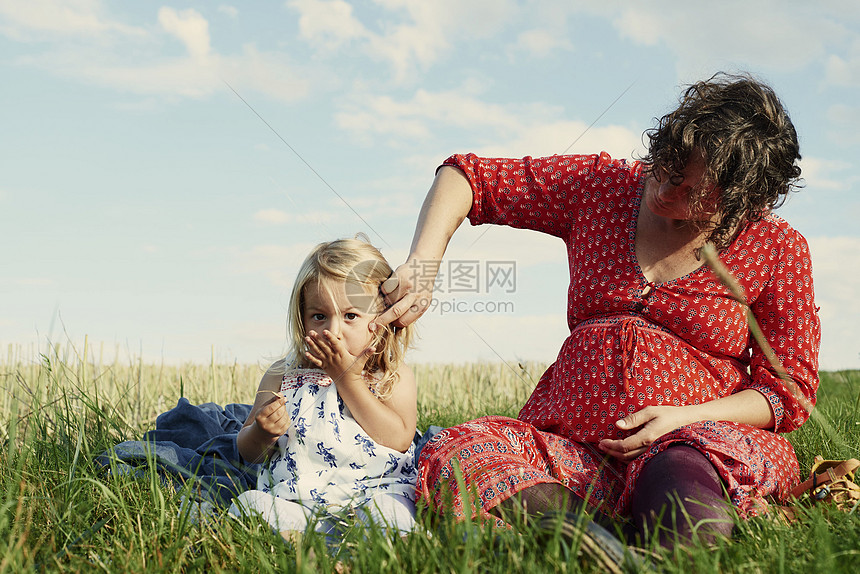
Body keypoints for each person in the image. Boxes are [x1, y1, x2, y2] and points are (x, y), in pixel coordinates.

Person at [372, 73, 820, 552]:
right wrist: (423, 261)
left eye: (692, 190)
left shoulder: (776, 247)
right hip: (575, 451)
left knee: (681, 480)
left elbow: (787, 391)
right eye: (667, 166)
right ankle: (599, 545)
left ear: (743, 202)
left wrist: (683, 418)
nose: (666, 189)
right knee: (458, 453)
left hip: (698, 445)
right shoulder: (603, 186)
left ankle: (656, 548)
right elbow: (468, 177)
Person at [230, 236, 418, 540]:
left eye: (350, 316)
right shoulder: (282, 374)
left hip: (375, 493)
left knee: (393, 512)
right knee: (248, 505)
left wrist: (347, 378)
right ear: (302, 320)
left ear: (382, 319)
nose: (332, 331)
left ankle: (365, 539)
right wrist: (262, 433)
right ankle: (312, 540)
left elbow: (397, 439)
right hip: (298, 500)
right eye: (319, 316)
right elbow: (247, 453)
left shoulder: (390, 374)